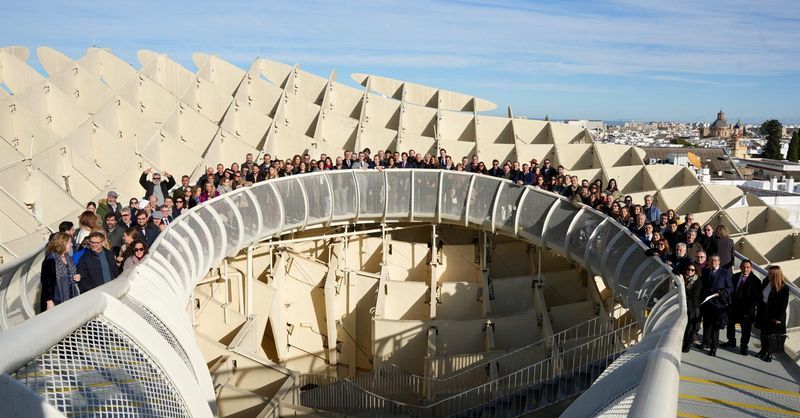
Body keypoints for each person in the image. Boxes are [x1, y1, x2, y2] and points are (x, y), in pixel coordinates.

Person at [722, 259, 761, 355]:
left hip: (746, 311)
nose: (745, 269)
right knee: (730, 326)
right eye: (743, 267)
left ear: (751, 268)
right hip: (733, 309)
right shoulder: (734, 277)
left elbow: (755, 299)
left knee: (745, 331)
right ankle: (731, 341)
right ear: (740, 267)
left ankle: (743, 346)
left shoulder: (756, 281)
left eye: (748, 267)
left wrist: (748, 312)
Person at [700, 255, 733, 356]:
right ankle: (705, 342)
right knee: (706, 324)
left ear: (719, 262)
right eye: (711, 260)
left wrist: (721, 293)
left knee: (715, 327)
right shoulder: (705, 271)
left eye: (715, 260)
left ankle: (713, 348)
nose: (713, 262)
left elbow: (730, 288)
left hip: (718, 305)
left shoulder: (725, 272)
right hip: (707, 303)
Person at [39, 233, 81, 312]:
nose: (72, 244)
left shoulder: (68, 257)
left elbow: (71, 274)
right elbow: (45, 284)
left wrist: (77, 277)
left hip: (71, 297)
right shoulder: (50, 260)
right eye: (69, 243)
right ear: (62, 244)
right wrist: (49, 302)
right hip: (57, 301)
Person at [757, 266, 790, 362]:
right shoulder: (766, 281)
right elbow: (761, 295)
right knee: (763, 333)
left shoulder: (783, 288)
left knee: (772, 336)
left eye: (770, 274)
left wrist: (778, 318)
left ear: (776, 275)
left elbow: (783, 305)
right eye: (768, 273)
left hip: (774, 315)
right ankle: (763, 350)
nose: (768, 275)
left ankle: (769, 353)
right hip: (764, 312)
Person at [681, 263, 703, 352]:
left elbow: (695, 296)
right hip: (684, 306)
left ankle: (687, 346)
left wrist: (684, 288)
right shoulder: (684, 278)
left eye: (692, 270)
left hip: (692, 308)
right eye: (688, 269)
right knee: (685, 327)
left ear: (695, 271)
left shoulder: (698, 281)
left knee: (689, 329)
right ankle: (684, 344)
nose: (690, 271)